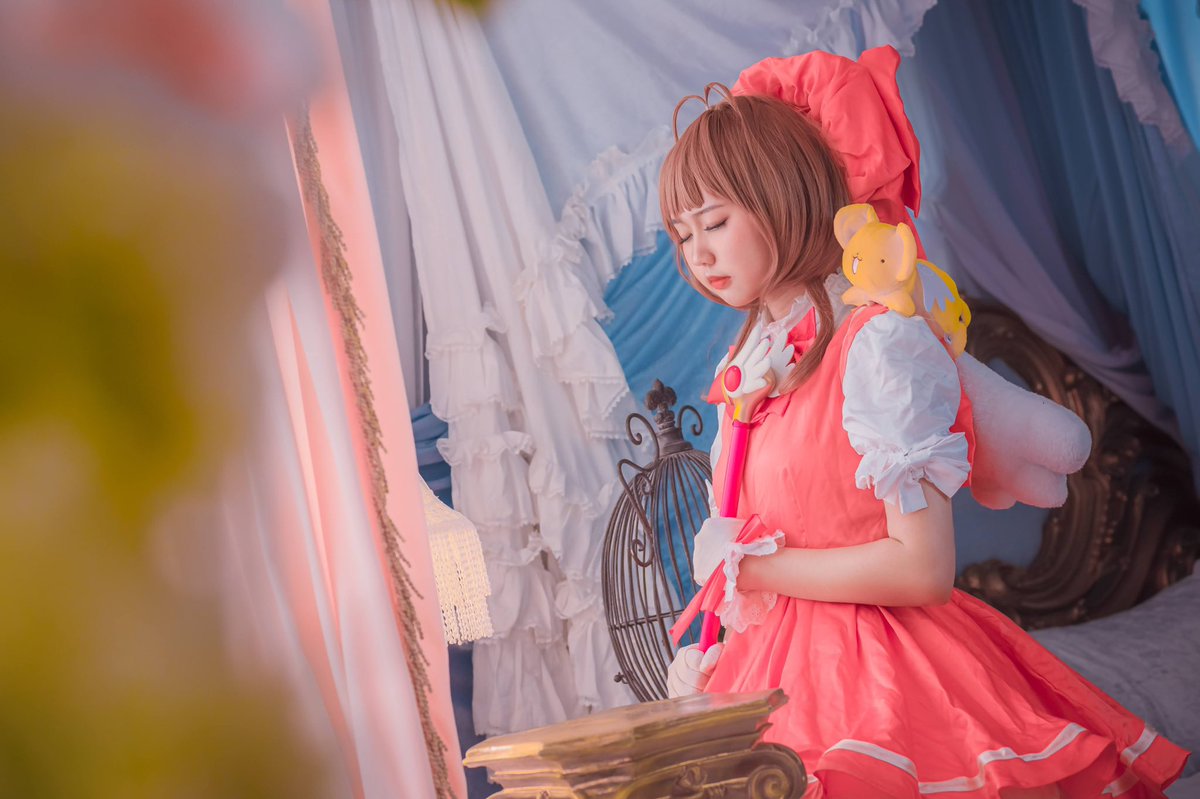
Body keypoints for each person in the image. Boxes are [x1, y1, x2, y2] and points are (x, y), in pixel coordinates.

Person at [660, 46, 1189, 799]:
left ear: (784, 198)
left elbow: (922, 569)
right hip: (769, 680)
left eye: (714, 221)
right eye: (682, 235)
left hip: (883, 680)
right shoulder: (750, 365)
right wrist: (717, 653)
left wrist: (749, 567)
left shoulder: (878, 344)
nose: (698, 254)